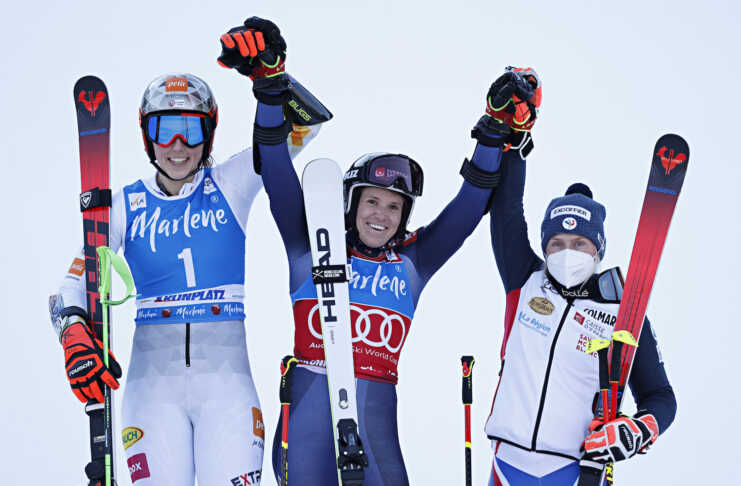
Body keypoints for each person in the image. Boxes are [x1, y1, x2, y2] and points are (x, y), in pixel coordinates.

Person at [215, 19, 533, 486]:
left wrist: (492, 132)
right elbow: (277, 170)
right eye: (371, 202)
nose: (381, 215)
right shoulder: (310, 245)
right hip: (306, 424)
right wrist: (269, 88)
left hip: (377, 421)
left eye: (393, 207)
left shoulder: (413, 262)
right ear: (350, 205)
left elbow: (469, 207)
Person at [48, 66, 321, 485]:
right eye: (164, 130)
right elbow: (69, 286)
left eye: (191, 131)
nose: (177, 145)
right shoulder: (123, 206)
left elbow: (308, 123)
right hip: (152, 394)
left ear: (208, 135)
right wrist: (72, 330)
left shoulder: (231, 182)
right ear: (147, 136)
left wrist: (269, 75)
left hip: (227, 392)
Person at [484, 69, 677, 485]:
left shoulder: (624, 310)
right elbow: (507, 209)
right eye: (556, 243)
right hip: (506, 465)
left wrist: (636, 430)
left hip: (576, 471)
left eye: (579, 243)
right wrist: (515, 137)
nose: (567, 252)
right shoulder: (524, 280)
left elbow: (660, 397)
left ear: (598, 250)